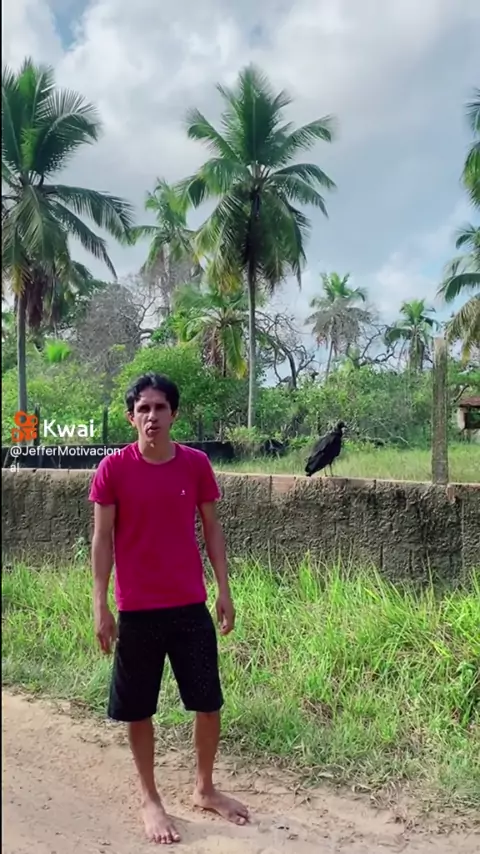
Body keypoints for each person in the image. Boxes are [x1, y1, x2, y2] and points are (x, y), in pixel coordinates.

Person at [88, 372, 249, 845]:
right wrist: (100, 604)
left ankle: (205, 788)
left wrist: (224, 589)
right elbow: (102, 539)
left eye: (160, 407)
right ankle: (150, 798)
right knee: (139, 708)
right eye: (143, 408)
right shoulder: (113, 470)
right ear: (131, 417)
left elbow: (212, 528)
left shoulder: (196, 465)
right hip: (137, 609)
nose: (152, 416)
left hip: (189, 605)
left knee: (208, 702)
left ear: (174, 414)